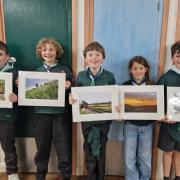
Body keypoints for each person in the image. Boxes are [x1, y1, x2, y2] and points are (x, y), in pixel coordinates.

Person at [69, 41, 116, 180]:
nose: (94, 57)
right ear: (85, 58)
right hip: (86, 121)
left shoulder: (109, 76)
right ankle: (90, 176)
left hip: (104, 121)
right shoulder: (81, 75)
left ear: (103, 58)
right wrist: (71, 99)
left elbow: (115, 96)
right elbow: (75, 96)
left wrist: (117, 107)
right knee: (88, 148)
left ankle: (100, 177)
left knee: (101, 150)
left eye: (98, 54)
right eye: (90, 54)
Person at [34, 38, 72, 180]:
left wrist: (69, 86)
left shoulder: (65, 70)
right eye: (44, 50)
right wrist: (22, 84)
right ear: (40, 52)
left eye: (51, 49)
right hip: (40, 115)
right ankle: (40, 175)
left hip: (60, 115)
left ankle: (65, 175)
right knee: (42, 147)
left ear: (57, 52)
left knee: (63, 147)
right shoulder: (36, 71)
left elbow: (72, 94)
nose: (48, 52)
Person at [123, 56, 154, 180]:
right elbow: (120, 106)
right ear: (130, 70)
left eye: (141, 68)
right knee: (129, 157)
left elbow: (157, 108)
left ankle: (144, 178)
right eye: (135, 68)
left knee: (145, 157)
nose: (138, 71)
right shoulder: (124, 86)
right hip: (130, 126)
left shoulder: (153, 87)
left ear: (146, 69)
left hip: (147, 127)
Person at [157, 41, 180, 180]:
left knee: (179, 153)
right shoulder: (166, 77)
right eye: (178, 56)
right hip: (168, 123)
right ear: (172, 58)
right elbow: (158, 99)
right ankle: (166, 177)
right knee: (168, 151)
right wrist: (162, 114)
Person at [0, 41, 19, 180]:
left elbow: (24, 95)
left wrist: (16, 97)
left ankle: (12, 172)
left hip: (7, 116)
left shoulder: (14, 73)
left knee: (8, 145)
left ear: (7, 56)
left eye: (0, 54)